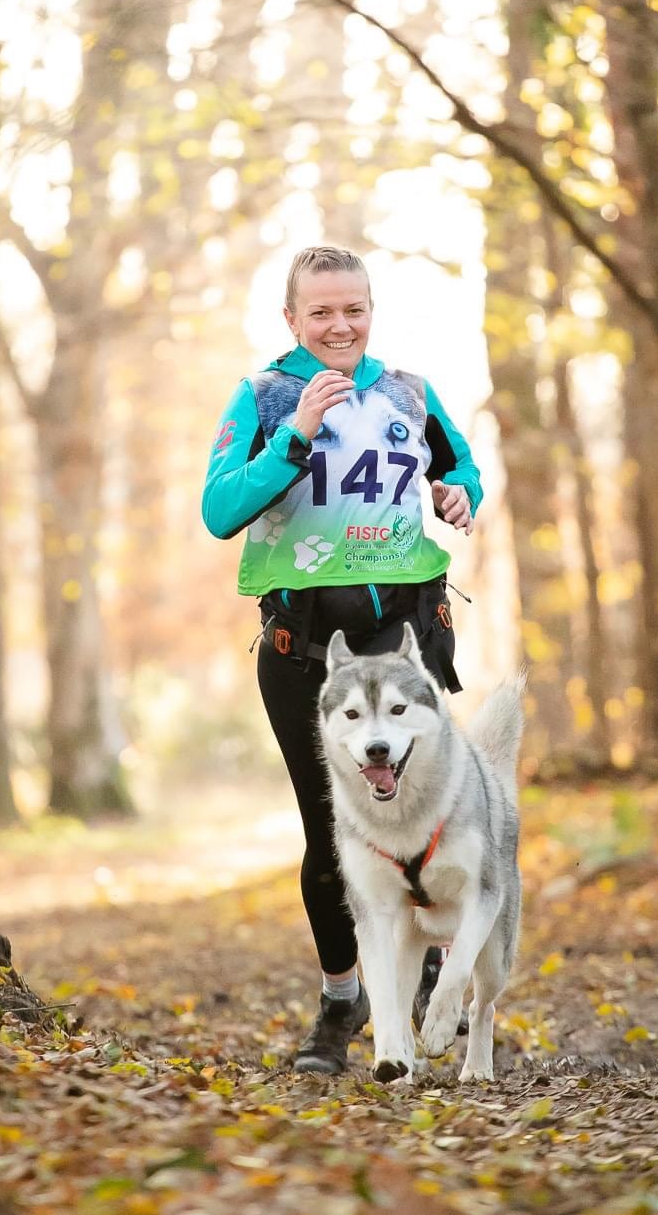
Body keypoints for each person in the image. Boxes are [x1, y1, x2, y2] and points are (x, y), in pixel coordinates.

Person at [202, 244, 482, 1075]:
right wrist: (297, 434)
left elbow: (459, 462)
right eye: (320, 311)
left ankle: (428, 964)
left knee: (426, 824)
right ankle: (340, 1004)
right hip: (302, 651)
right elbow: (221, 510)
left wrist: (459, 490)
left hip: (403, 641)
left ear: (371, 311)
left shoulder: (408, 391)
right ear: (290, 318)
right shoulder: (263, 396)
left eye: (353, 308)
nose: (340, 325)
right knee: (332, 839)